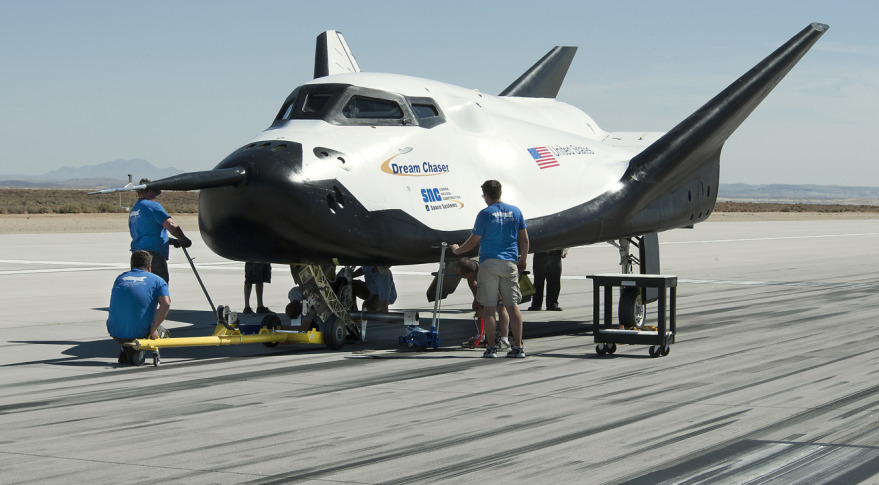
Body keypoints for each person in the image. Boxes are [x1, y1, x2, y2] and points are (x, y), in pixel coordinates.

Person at [451, 180, 529, 358]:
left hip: (489, 264)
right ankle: (517, 347)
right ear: (501, 192)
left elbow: (473, 240)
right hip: (510, 263)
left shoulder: (485, 214)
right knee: (512, 307)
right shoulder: (516, 211)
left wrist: (457, 250)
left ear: (486, 195)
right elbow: (524, 240)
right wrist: (522, 259)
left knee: (489, 308)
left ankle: (492, 348)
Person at [106, 250, 171, 364]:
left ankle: (126, 348)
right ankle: (140, 348)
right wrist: (154, 329)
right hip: (139, 332)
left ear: (131, 266)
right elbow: (166, 304)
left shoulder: (120, 278)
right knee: (163, 332)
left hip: (115, 331)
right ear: (149, 267)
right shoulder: (157, 281)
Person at [128, 178, 191, 284]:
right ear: (149, 191)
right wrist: (184, 239)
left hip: (137, 255)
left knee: (142, 286)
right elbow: (171, 225)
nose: (155, 196)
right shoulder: (152, 206)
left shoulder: (135, 209)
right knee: (158, 286)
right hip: (152, 255)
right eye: (154, 193)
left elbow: (146, 232)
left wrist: (172, 241)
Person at [456, 258, 510, 348]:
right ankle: (482, 337)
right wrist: (477, 300)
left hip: (501, 279)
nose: (460, 277)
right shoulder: (471, 270)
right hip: (488, 281)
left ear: (469, 273)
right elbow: (472, 284)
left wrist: (484, 303)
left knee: (501, 307)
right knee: (481, 307)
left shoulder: (485, 272)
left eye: (461, 275)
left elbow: (498, 294)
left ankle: (504, 338)